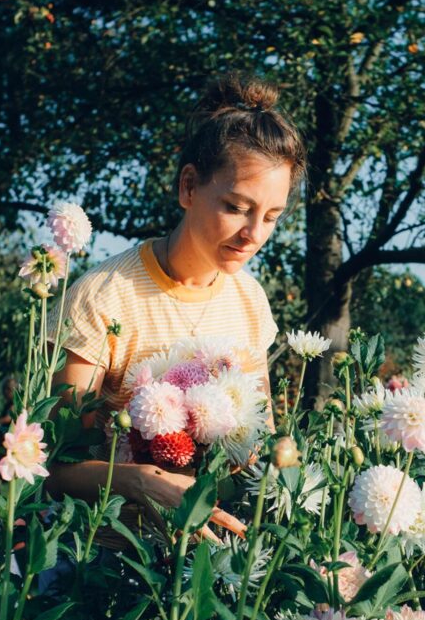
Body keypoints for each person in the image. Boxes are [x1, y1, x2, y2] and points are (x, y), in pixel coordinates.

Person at [47, 72, 307, 534]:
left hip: (212, 564)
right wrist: (136, 481)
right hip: (104, 566)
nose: (254, 235)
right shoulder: (102, 296)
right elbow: (55, 470)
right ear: (189, 187)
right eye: (236, 207)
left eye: (271, 216)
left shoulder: (250, 300)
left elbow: (256, 444)